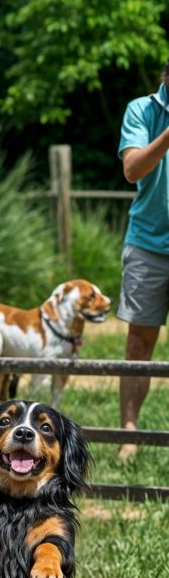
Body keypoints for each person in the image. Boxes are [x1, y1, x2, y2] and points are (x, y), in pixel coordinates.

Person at [116, 61, 169, 461]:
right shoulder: (142, 110)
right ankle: (129, 437)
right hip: (148, 246)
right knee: (139, 344)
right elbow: (132, 169)